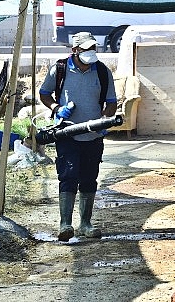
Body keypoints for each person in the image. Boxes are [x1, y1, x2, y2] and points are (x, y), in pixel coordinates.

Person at [39, 32, 117, 241]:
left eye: (94, 48)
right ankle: (65, 224)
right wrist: (57, 108)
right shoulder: (60, 69)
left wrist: (105, 120)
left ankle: (85, 223)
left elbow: (111, 102)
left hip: (93, 135)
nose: (91, 53)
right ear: (75, 50)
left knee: (89, 178)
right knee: (68, 176)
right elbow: (44, 93)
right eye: (86, 49)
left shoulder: (102, 72)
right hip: (67, 132)